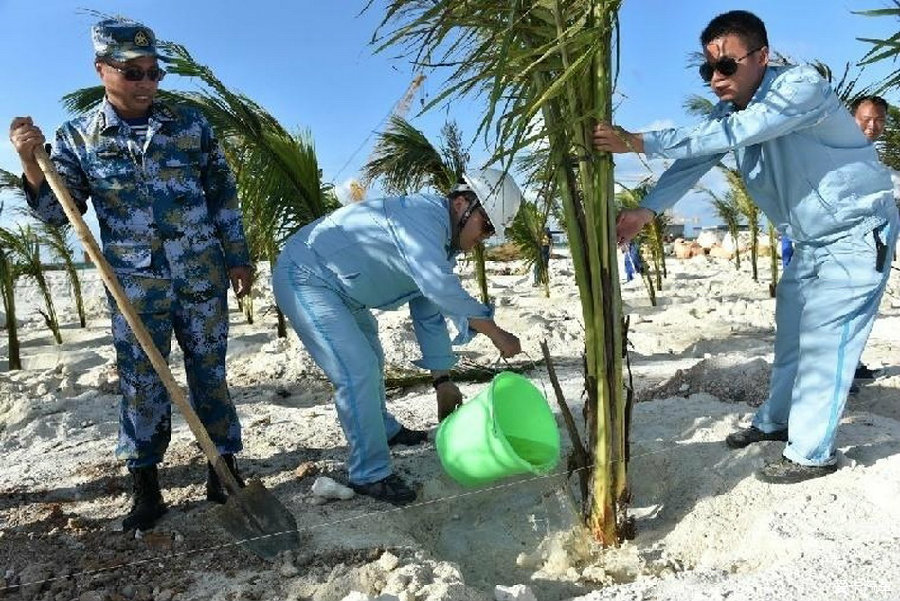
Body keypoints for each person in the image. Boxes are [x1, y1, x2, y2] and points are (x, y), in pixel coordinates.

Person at [593, 10, 899, 484]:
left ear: (762, 57)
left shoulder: (800, 88)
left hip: (857, 234)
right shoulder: (729, 112)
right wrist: (646, 211)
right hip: (810, 243)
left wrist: (639, 141)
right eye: (707, 70)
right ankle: (776, 424)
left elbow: (738, 133)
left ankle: (812, 453)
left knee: (826, 344)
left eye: (727, 66)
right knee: (793, 339)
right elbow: (698, 156)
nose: (716, 79)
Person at [8, 18, 253, 530]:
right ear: (102, 70)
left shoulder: (189, 125)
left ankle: (223, 466)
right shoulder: (78, 137)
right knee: (142, 382)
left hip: (201, 274)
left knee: (211, 372)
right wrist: (33, 166)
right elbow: (60, 213)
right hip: (134, 285)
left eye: (153, 72)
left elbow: (222, 194)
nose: (146, 82)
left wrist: (238, 256)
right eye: (132, 72)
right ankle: (145, 484)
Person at [272, 168, 523, 505]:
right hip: (306, 275)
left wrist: (442, 380)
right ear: (463, 203)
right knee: (356, 369)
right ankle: (369, 474)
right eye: (487, 225)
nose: (486, 237)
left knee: (372, 358)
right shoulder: (423, 219)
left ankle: (385, 430)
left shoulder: (442, 243)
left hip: (343, 291)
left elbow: (428, 310)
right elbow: (441, 289)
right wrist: (497, 334)